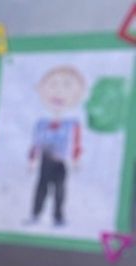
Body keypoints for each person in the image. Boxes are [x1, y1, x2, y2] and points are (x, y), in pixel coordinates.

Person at [27, 65, 86, 227]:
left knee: (59, 192)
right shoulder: (41, 123)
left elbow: (76, 144)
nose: (59, 92)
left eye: (67, 86)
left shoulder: (72, 124)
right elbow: (35, 144)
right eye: (53, 85)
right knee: (41, 189)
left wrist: (76, 159)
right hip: (45, 162)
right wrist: (32, 159)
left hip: (60, 163)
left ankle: (58, 218)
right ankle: (35, 214)